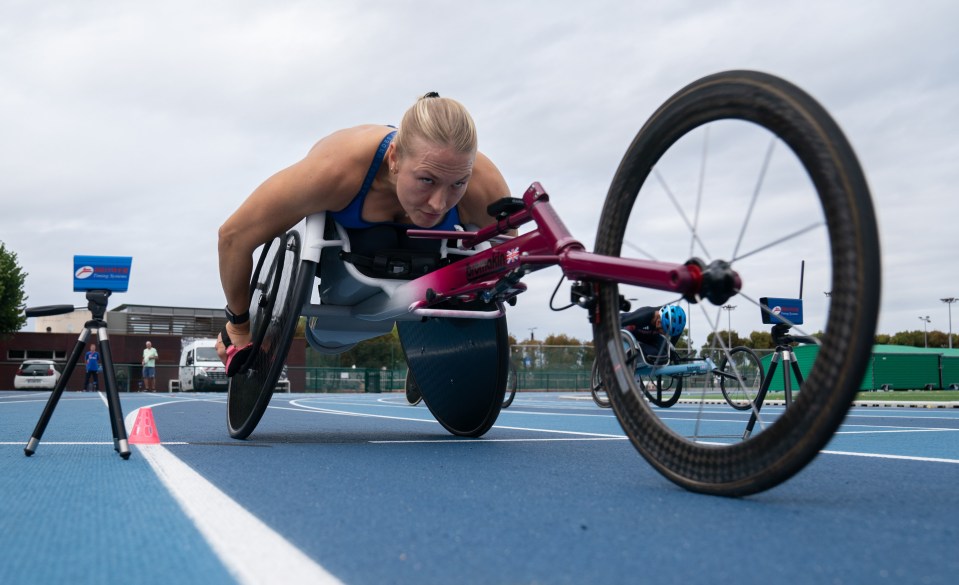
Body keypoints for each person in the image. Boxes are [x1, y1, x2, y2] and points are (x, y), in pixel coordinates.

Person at [216, 93, 511, 375]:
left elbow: (508, 261)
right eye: (426, 180)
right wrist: (239, 325)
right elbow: (233, 237)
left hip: (425, 260)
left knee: (456, 270)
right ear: (394, 158)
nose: (439, 202)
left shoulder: (484, 188)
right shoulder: (334, 171)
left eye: (458, 184)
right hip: (349, 256)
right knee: (374, 244)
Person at [621, 304, 687, 364]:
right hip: (627, 330)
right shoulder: (643, 316)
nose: (665, 334)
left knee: (665, 353)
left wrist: (671, 351)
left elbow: (671, 343)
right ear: (658, 322)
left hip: (648, 336)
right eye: (664, 331)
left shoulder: (675, 325)